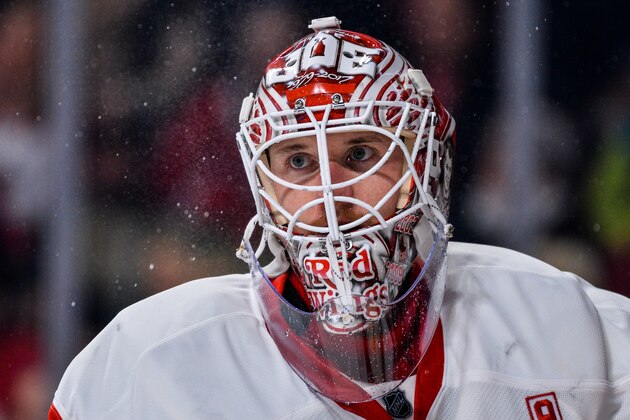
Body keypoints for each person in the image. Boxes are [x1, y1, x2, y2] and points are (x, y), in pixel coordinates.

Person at [50, 17, 630, 419]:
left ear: (424, 166)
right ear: (263, 182)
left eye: (360, 154)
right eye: (299, 160)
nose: (330, 195)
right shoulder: (149, 362)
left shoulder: (572, 328)